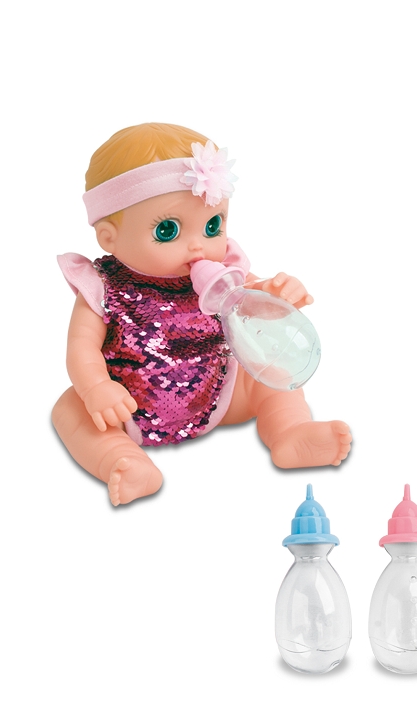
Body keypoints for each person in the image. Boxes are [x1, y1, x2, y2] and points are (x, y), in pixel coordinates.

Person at [53, 123, 351, 506]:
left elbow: (253, 303)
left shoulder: (225, 272)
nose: (199, 247)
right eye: (168, 230)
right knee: (71, 408)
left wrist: (277, 295)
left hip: (220, 395)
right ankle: (122, 459)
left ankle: (290, 431)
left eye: (213, 226)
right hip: (128, 409)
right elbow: (81, 348)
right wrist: (96, 387)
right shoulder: (102, 285)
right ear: (109, 237)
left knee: (268, 376)